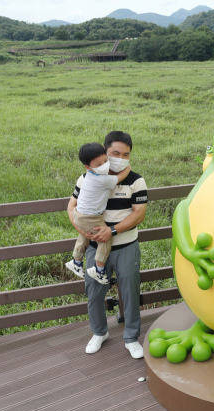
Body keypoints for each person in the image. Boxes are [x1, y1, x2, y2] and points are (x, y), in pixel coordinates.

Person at [67, 131, 148, 358]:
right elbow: (71, 207)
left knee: (130, 292)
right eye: (115, 153)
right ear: (105, 151)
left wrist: (111, 230)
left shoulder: (136, 180)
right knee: (94, 292)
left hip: (126, 246)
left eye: (126, 154)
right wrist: (82, 230)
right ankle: (99, 332)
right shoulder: (87, 178)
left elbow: (139, 214)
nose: (120, 158)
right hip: (95, 247)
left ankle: (131, 337)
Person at [65, 143, 132, 285]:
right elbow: (120, 177)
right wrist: (128, 168)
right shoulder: (102, 180)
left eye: (105, 161)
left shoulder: (89, 175)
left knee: (85, 236)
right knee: (105, 238)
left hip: (80, 215)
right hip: (91, 216)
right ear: (88, 167)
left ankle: (76, 261)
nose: (104, 165)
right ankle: (98, 269)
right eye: (99, 164)